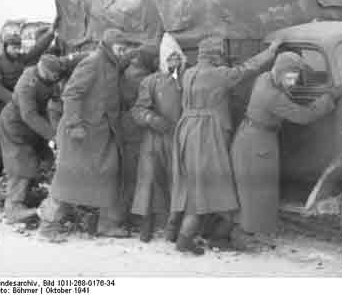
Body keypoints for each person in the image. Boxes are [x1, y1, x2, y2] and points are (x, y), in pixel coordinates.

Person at [168, 36, 281, 255]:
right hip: (206, 134)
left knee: (195, 184)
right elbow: (247, 68)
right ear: (215, 55)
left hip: (186, 131)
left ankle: (198, 235)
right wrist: (271, 52)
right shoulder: (218, 75)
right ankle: (187, 239)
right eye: (220, 53)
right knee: (207, 188)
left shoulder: (189, 72)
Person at [230, 52, 342, 242]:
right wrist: (330, 96)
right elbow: (304, 115)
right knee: (256, 192)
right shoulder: (271, 95)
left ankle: (252, 231)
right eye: (289, 77)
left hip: (254, 138)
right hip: (255, 144)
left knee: (257, 190)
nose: (293, 83)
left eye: (295, 78)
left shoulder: (265, 77)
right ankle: (244, 235)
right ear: (279, 71)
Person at [38, 29, 135, 242]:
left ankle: (107, 224)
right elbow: (71, 94)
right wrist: (74, 125)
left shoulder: (112, 62)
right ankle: (48, 226)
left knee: (111, 173)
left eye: (125, 48)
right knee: (68, 179)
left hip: (101, 133)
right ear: (109, 45)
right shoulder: (93, 62)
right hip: (80, 134)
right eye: (120, 47)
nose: (123, 52)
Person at [130, 33, 185, 242]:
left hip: (178, 138)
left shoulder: (186, 79)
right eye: (170, 59)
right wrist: (152, 119)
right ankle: (146, 225)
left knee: (177, 182)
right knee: (149, 181)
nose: (174, 63)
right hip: (154, 139)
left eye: (177, 58)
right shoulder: (150, 82)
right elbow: (137, 110)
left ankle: (173, 227)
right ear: (162, 60)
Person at [0, 55, 63, 224]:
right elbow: (29, 114)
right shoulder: (27, 83)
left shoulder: (49, 76)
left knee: (46, 158)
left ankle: (30, 194)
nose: (54, 79)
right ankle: (13, 207)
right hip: (15, 125)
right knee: (21, 164)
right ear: (42, 68)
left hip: (34, 125)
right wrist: (53, 136)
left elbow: (54, 101)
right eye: (52, 75)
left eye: (56, 76)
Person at [0, 25, 55, 179]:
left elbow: (36, 51)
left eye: (18, 47)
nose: (17, 51)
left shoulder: (19, 59)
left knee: (20, 137)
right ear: (5, 47)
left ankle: (18, 170)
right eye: (13, 47)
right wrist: (19, 100)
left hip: (15, 104)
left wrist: (51, 34)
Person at [120, 42, 159, 226]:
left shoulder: (130, 70)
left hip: (127, 124)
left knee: (130, 173)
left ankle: (129, 215)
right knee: (133, 174)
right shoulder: (141, 77)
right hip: (134, 128)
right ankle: (129, 216)